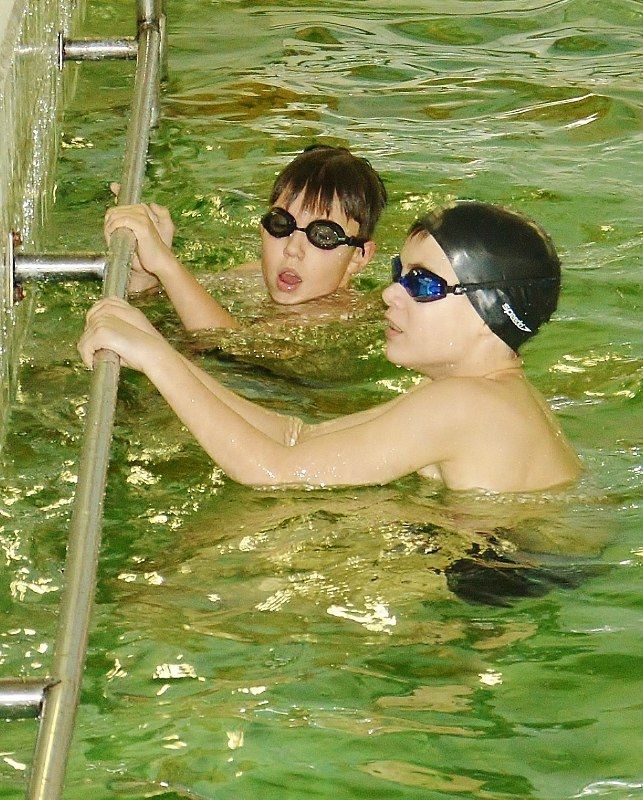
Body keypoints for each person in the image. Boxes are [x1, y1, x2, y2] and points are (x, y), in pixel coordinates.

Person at [78, 200, 581, 494]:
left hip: (490, 594)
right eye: (399, 274)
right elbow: (296, 436)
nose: (391, 293)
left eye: (423, 284)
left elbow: (274, 471)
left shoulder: (468, 404)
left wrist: (155, 358)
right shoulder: (482, 394)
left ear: (490, 314)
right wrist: (156, 349)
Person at [106, 144, 387, 331]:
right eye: (281, 224)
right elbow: (171, 309)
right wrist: (145, 273)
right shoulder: (250, 277)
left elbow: (226, 345)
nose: (293, 249)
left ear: (358, 257)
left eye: (322, 235)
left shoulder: (340, 320)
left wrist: (166, 264)